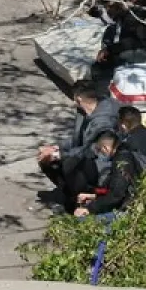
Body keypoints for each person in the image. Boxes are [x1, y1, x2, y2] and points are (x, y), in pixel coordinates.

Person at [37, 80, 121, 212]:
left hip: (101, 166)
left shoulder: (103, 121)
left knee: (69, 163)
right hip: (85, 156)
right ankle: (69, 195)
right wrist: (56, 147)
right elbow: (77, 139)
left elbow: (91, 149)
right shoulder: (83, 112)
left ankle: (76, 203)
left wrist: (60, 155)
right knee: (46, 159)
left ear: (79, 98)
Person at [74, 130, 140, 219]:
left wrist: (89, 209)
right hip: (129, 204)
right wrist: (93, 196)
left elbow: (116, 195)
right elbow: (113, 190)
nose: (99, 153)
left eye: (99, 149)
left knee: (82, 220)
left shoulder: (122, 161)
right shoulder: (124, 153)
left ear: (106, 148)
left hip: (129, 211)